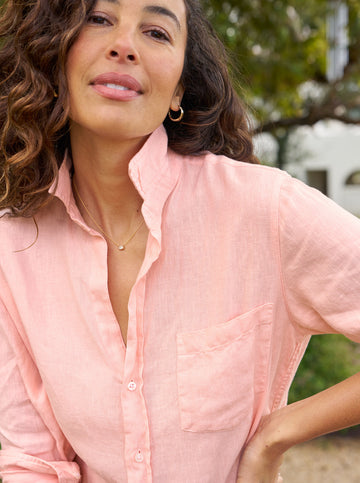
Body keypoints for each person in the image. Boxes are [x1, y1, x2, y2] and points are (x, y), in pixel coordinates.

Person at [0, 0, 359, 481]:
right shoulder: (13, 245)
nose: (124, 47)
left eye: (156, 33)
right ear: (54, 55)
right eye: (100, 20)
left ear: (179, 91)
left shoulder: (264, 209)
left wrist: (277, 434)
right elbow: (30, 459)